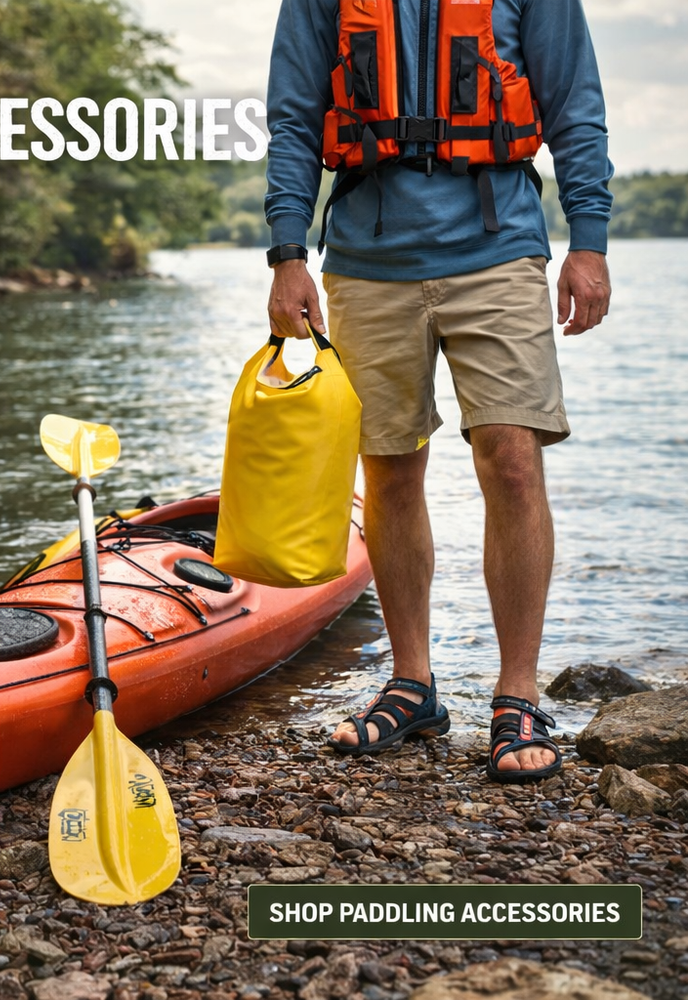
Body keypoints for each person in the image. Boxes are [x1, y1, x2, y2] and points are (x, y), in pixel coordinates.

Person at [262, 0, 612, 782]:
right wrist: (288, 249)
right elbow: (293, 120)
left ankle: (517, 692)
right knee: (388, 466)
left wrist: (588, 241)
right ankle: (413, 683)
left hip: (498, 248)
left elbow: (575, 108)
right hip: (366, 258)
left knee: (513, 457)